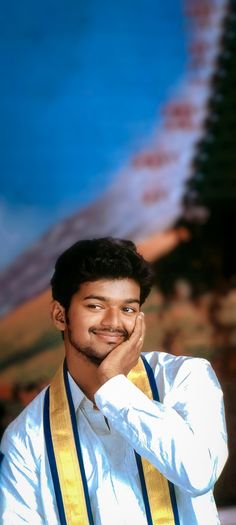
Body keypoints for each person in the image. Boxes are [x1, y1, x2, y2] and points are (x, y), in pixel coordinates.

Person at [0, 237, 228, 525]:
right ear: (60, 315)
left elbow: (199, 474)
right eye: (95, 306)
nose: (114, 322)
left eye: (128, 309)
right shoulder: (26, 438)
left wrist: (113, 386)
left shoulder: (186, 378)